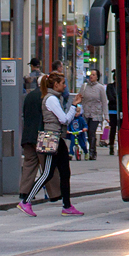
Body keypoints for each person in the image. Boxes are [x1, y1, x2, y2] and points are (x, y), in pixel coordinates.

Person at [19, 72, 84, 217]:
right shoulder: (51, 99)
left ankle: (67, 205)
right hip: (50, 137)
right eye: (62, 83)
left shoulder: (54, 98)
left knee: (64, 172)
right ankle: (26, 201)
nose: (65, 86)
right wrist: (74, 106)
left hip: (56, 138)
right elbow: (64, 119)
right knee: (47, 172)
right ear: (55, 85)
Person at [19, 80, 60, 203]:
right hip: (43, 134)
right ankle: (55, 193)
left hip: (28, 135)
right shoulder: (48, 97)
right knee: (49, 166)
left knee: (29, 164)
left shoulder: (29, 96)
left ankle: (24, 191)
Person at [81, 70, 106, 161]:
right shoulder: (84, 86)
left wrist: (106, 116)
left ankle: (92, 152)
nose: (91, 76)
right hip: (86, 113)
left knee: (92, 131)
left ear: (97, 77)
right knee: (87, 132)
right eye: (90, 74)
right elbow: (80, 98)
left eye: (93, 75)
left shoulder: (100, 88)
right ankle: (90, 149)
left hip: (96, 113)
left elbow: (104, 102)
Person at [106, 72, 118, 156]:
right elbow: (110, 97)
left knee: (120, 129)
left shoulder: (122, 86)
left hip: (119, 110)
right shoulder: (110, 86)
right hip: (112, 110)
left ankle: (120, 146)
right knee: (112, 129)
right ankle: (111, 146)